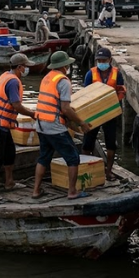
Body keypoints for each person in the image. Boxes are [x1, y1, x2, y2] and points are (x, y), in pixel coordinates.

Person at [32, 51, 92, 200]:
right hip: (54, 126)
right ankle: (72, 192)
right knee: (73, 158)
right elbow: (65, 108)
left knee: (44, 157)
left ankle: (36, 191)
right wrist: (81, 123)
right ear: (64, 65)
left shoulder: (47, 78)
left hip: (40, 124)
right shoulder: (63, 81)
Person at [0, 53, 38, 201]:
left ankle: (9, 182)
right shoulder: (13, 82)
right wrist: (32, 114)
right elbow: (16, 105)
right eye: (25, 67)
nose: (26, 69)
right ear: (19, 67)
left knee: (10, 153)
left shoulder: (6, 75)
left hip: (3, 123)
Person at [81, 48, 125, 181]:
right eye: (99, 61)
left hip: (110, 113)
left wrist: (114, 102)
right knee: (88, 142)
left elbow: (121, 91)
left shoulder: (117, 74)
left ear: (110, 60)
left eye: (104, 60)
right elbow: (85, 93)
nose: (101, 63)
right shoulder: (91, 73)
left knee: (111, 142)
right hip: (93, 113)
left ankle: (109, 171)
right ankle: (87, 170)